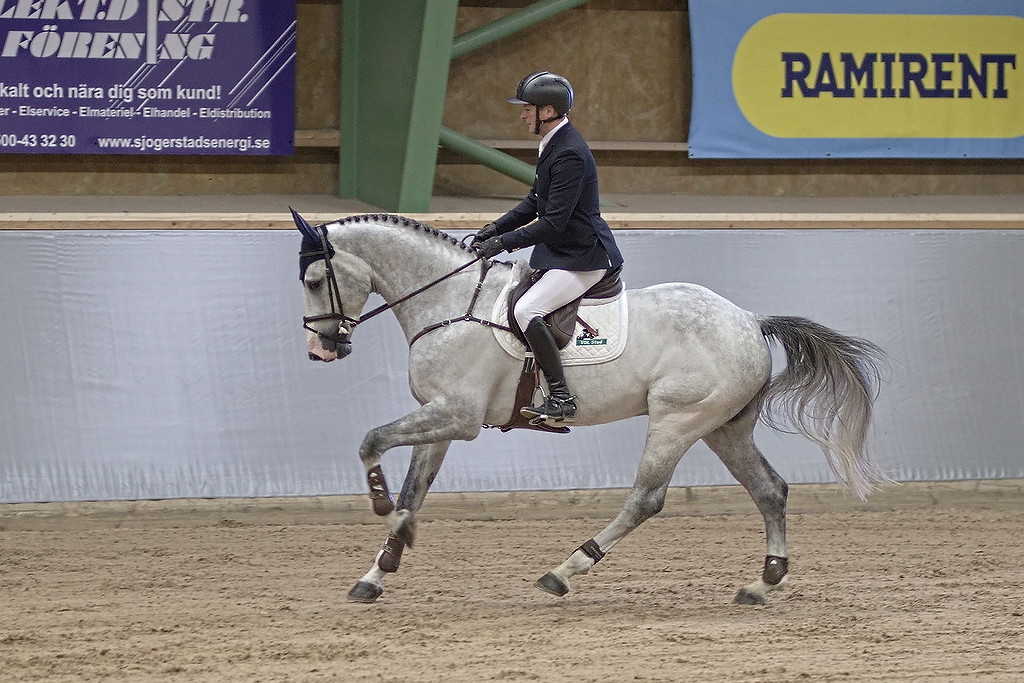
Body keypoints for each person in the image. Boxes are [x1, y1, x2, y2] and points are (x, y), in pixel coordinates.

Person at [473, 71, 624, 425]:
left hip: (584, 256)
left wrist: (502, 244)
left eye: (528, 109)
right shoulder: (554, 142)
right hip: (563, 251)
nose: (522, 115)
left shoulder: (570, 152)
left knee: (527, 310)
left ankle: (560, 397)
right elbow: (533, 203)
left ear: (548, 110)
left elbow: (552, 222)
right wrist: (495, 228)